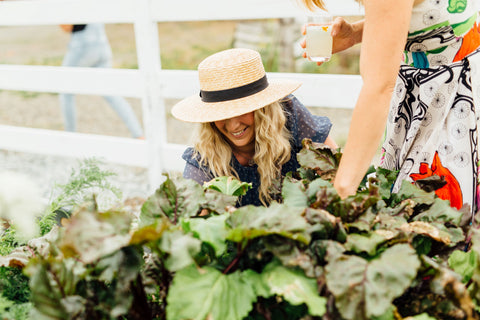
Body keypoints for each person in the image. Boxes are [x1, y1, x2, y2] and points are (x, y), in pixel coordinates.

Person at [299, 0, 480, 213]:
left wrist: (342, 192)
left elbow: (378, 87)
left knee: (438, 215)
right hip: (439, 96)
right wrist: (356, 33)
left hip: (450, 106)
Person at [171, 48, 337, 207]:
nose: (233, 125)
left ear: (262, 108)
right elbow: (190, 212)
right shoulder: (205, 154)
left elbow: (336, 165)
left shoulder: (288, 112)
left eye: (242, 111)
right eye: (221, 115)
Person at [59, 23, 144, 138]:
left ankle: (69, 136)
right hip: (102, 45)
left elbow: (67, 27)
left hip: (82, 46)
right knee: (111, 93)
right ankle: (138, 134)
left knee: (64, 89)